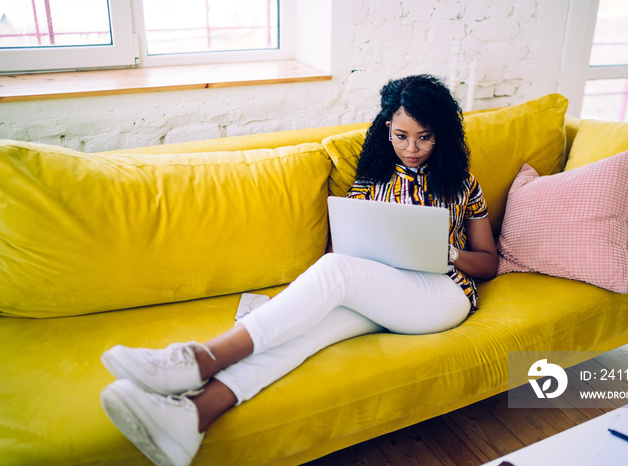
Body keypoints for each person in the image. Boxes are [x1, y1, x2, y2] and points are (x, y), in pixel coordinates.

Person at [99, 74, 499, 466]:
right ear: (386, 129)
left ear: (441, 134)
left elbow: (489, 262)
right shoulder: (370, 182)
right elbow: (346, 249)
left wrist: (448, 253)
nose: (411, 148)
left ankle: (199, 359)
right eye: (401, 136)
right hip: (382, 292)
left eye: (424, 137)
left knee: (336, 270)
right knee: (306, 331)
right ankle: (193, 415)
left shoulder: (462, 184)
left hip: (443, 294)